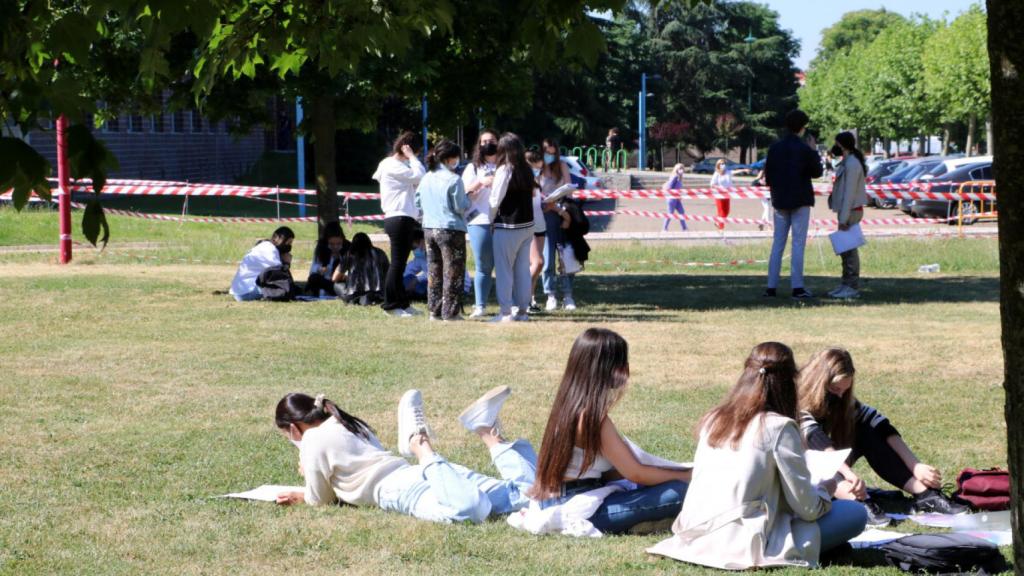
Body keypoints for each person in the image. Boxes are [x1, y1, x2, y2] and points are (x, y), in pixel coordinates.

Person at [648, 342, 867, 569]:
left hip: (695, 532)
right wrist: (826, 489)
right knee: (854, 513)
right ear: (789, 382)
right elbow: (808, 509)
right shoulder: (779, 427)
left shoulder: (713, 418)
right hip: (743, 540)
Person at [273, 385, 538, 525]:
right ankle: (487, 431)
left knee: (470, 511)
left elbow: (321, 500)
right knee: (532, 495)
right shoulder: (345, 421)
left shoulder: (310, 440)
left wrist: (306, 486)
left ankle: (419, 443)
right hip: (426, 474)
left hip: (398, 490)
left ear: (294, 429)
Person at [529, 328, 691, 534]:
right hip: (580, 507)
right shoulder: (591, 417)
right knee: (681, 492)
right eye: (622, 362)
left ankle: (647, 520)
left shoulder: (569, 406)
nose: (626, 370)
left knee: (667, 485)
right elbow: (636, 473)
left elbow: (615, 472)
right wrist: (687, 475)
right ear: (606, 368)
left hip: (562, 499)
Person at [797, 347, 968, 523]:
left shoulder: (841, 399)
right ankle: (858, 501)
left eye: (844, 390)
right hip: (803, 467)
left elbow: (879, 424)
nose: (840, 396)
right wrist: (849, 474)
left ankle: (924, 495)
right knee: (823, 461)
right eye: (835, 389)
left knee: (867, 430)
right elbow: (816, 441)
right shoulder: (795, 400)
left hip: (830, 460)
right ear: (819, 383)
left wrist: (915, 465)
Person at [763, 110, 823, 300]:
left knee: (777, 244)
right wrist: (814, 152)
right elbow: (817, 172)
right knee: (798, 244)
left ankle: (771, 287)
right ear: (803, 127)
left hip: (780, 201)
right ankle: (797, 287)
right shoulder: (805, 149)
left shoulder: (775, 148)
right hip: (800, 200)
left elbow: (768, 177)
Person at [415, 140, 471, 321]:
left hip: (429, 228)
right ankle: (451, 312)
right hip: (450, 229)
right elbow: (460, 206)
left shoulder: (426, 178)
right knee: (453, 270)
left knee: (434, 270)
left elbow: (418, 202)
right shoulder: (454, 179)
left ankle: (435, 310)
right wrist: (469, 199)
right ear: (449, 159)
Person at [372, 131, 426, 317]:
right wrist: (412, 157)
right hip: (399, 218)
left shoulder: (397, 166)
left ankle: (402, 303)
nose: (416, 156)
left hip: (404, 218)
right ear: (407, 148)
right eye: (415, 152)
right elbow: (421, 177)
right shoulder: (391, 165)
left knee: (400, 264)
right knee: (396, 264)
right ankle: (391, 305)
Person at [488, 133, 535, 322]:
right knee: (523, 269)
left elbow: (494, 200)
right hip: (527, 225)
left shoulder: (504, 170)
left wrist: (490, 220)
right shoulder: (527, 169)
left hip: (508, 225)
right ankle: (523, 311)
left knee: (504, 270)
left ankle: (505, 312)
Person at [462, 130, 499, 318]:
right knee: (483, 266)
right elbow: (465, 194)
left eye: (491, 140)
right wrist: (481, 182)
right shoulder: (473, 168)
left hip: (503, 221)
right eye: (483, 141)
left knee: (505, 266)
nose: (487, 144)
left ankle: (508, 304)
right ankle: (480, 305)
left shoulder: (506, 165)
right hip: (479, 221)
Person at [827, 132, 868, 299]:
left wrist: (843, 219)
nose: (834, 147)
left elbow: (849, 193)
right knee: (845, 250)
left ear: (842, 145)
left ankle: (851, 285)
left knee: (849, 250)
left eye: (836, 144)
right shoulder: (848, 162)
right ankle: (845, 283)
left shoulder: (852, 164)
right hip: (848, 211)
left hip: (850, 211)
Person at [539, 138, 576, 311]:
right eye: (548, 153)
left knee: (565, 256)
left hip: (562, 214)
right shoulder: (538, 169)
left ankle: (568, 295)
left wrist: (559, 203)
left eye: (554, 153)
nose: (550, 157)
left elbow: (569, 190)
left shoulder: (562, 166)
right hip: (545, 216)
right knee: (547, 259)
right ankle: (550, 294)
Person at [229, 226, 295, 301]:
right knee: (282, 290)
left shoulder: (265, 246)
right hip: (246, 292)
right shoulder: (271, 250)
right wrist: (287, 263)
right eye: (288, 242)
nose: (289, 246)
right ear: (277, 238)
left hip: (240, 290)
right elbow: (281, 275)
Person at [333, 232, 389, 305]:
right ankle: (367, 298)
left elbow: (334, 278)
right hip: (379, 291)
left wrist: (345, 276)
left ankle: (357, 299)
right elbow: (388, 272)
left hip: (355, 292)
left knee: (336, 285)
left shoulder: (350, 254)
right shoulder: (380, 252)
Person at [525, 150, 549, 312]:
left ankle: (530, 299)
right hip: (530, 225)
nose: (538, 171)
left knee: (537, 264)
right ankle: (520, 296)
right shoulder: (522, 180)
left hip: (540, 224)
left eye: (539, 169)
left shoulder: (535, 181)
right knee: (538, 262)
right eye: (535, 168)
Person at [306, 222, 350, 298]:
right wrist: (319, 269)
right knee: (314, 278)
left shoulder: (348, 247)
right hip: (326, 281)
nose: (335, 247)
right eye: (332, 244)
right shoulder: (321, 248)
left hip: (341, 283)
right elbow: (312, 271)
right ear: (326, 242)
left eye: (339, 244)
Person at [661, 164, 688, 232]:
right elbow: (669, 187)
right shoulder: (674, 176)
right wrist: (675, 193)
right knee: (670, 213)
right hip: (671, 199)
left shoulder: (679, 177)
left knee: (681, 212)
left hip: (677, 199)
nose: (681, 170)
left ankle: (684, 228)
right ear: (676, 169)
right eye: (679, 168)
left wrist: (679, 195)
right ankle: (664, 228)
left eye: (682, 168)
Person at [403, 229, 428, 301]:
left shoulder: (436, 255)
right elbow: (409, 269)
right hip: (426, 282)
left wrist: (417, 280)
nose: (414, 251)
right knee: (405, 279)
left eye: (414, 248)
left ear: (423, 241)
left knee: (418, 285)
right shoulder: (420, 257)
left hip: (440, 283)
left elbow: (435, 273)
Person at [709, 159, 733, 231]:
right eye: (721, 164)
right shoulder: (717, 173)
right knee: (721, 211)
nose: (723, 165)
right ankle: (721, 227)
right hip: (719, 194)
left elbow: (734, 172)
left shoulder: (727, 172)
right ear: (718, 165)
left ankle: (717, 221)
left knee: (727, 211)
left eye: (724, 163)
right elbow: (712, 184)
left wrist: (744, 170)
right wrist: (720, 188)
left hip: (727, 194)